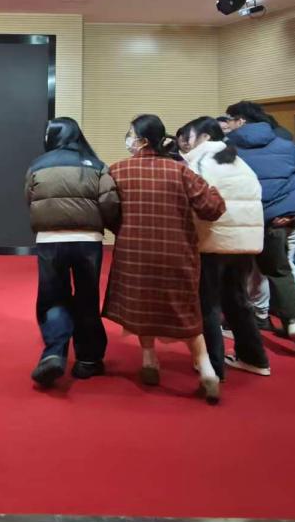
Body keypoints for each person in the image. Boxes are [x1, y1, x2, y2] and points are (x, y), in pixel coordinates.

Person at [103, 114, 227, 404]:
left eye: (131, 133)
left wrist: (124, 229)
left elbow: (107, 211)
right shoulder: (180, 171)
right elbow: (212, 209)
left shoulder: (118, 170)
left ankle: (149, 360)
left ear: (143, 140)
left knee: (143, 305)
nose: (128, 138)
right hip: (176, 253)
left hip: (134, 254)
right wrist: (215, 190)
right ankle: (207, 370)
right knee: (185, 310)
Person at [25, 118, 119, 387]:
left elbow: (29, 199)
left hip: (50, 241)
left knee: (53, 298)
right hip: (88, 241)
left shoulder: (37, 165)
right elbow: (109, 201)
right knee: (87, 297)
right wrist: (111, 226)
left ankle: (54, 352)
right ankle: (88, 360)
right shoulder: (96, 165)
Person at [225, 104, 295, 354]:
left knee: (238, 275)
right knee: (280, 271)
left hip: (244, 220)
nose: (228, 124)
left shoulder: (229, 148)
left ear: (241, 121)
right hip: (276, 219)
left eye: (230, 119)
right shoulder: (284, 144)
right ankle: (294, 321)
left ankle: (242, 326)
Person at [177, 117, 270, 379]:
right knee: (238, 301)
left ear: (205, 136)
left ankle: (213, 366)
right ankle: (255, 358)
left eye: (189, 136)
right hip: (245, 244)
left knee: (207, 306)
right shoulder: (239, 162)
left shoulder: (199, 163)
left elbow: (196, 203)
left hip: (213, 243)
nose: (185, 143)